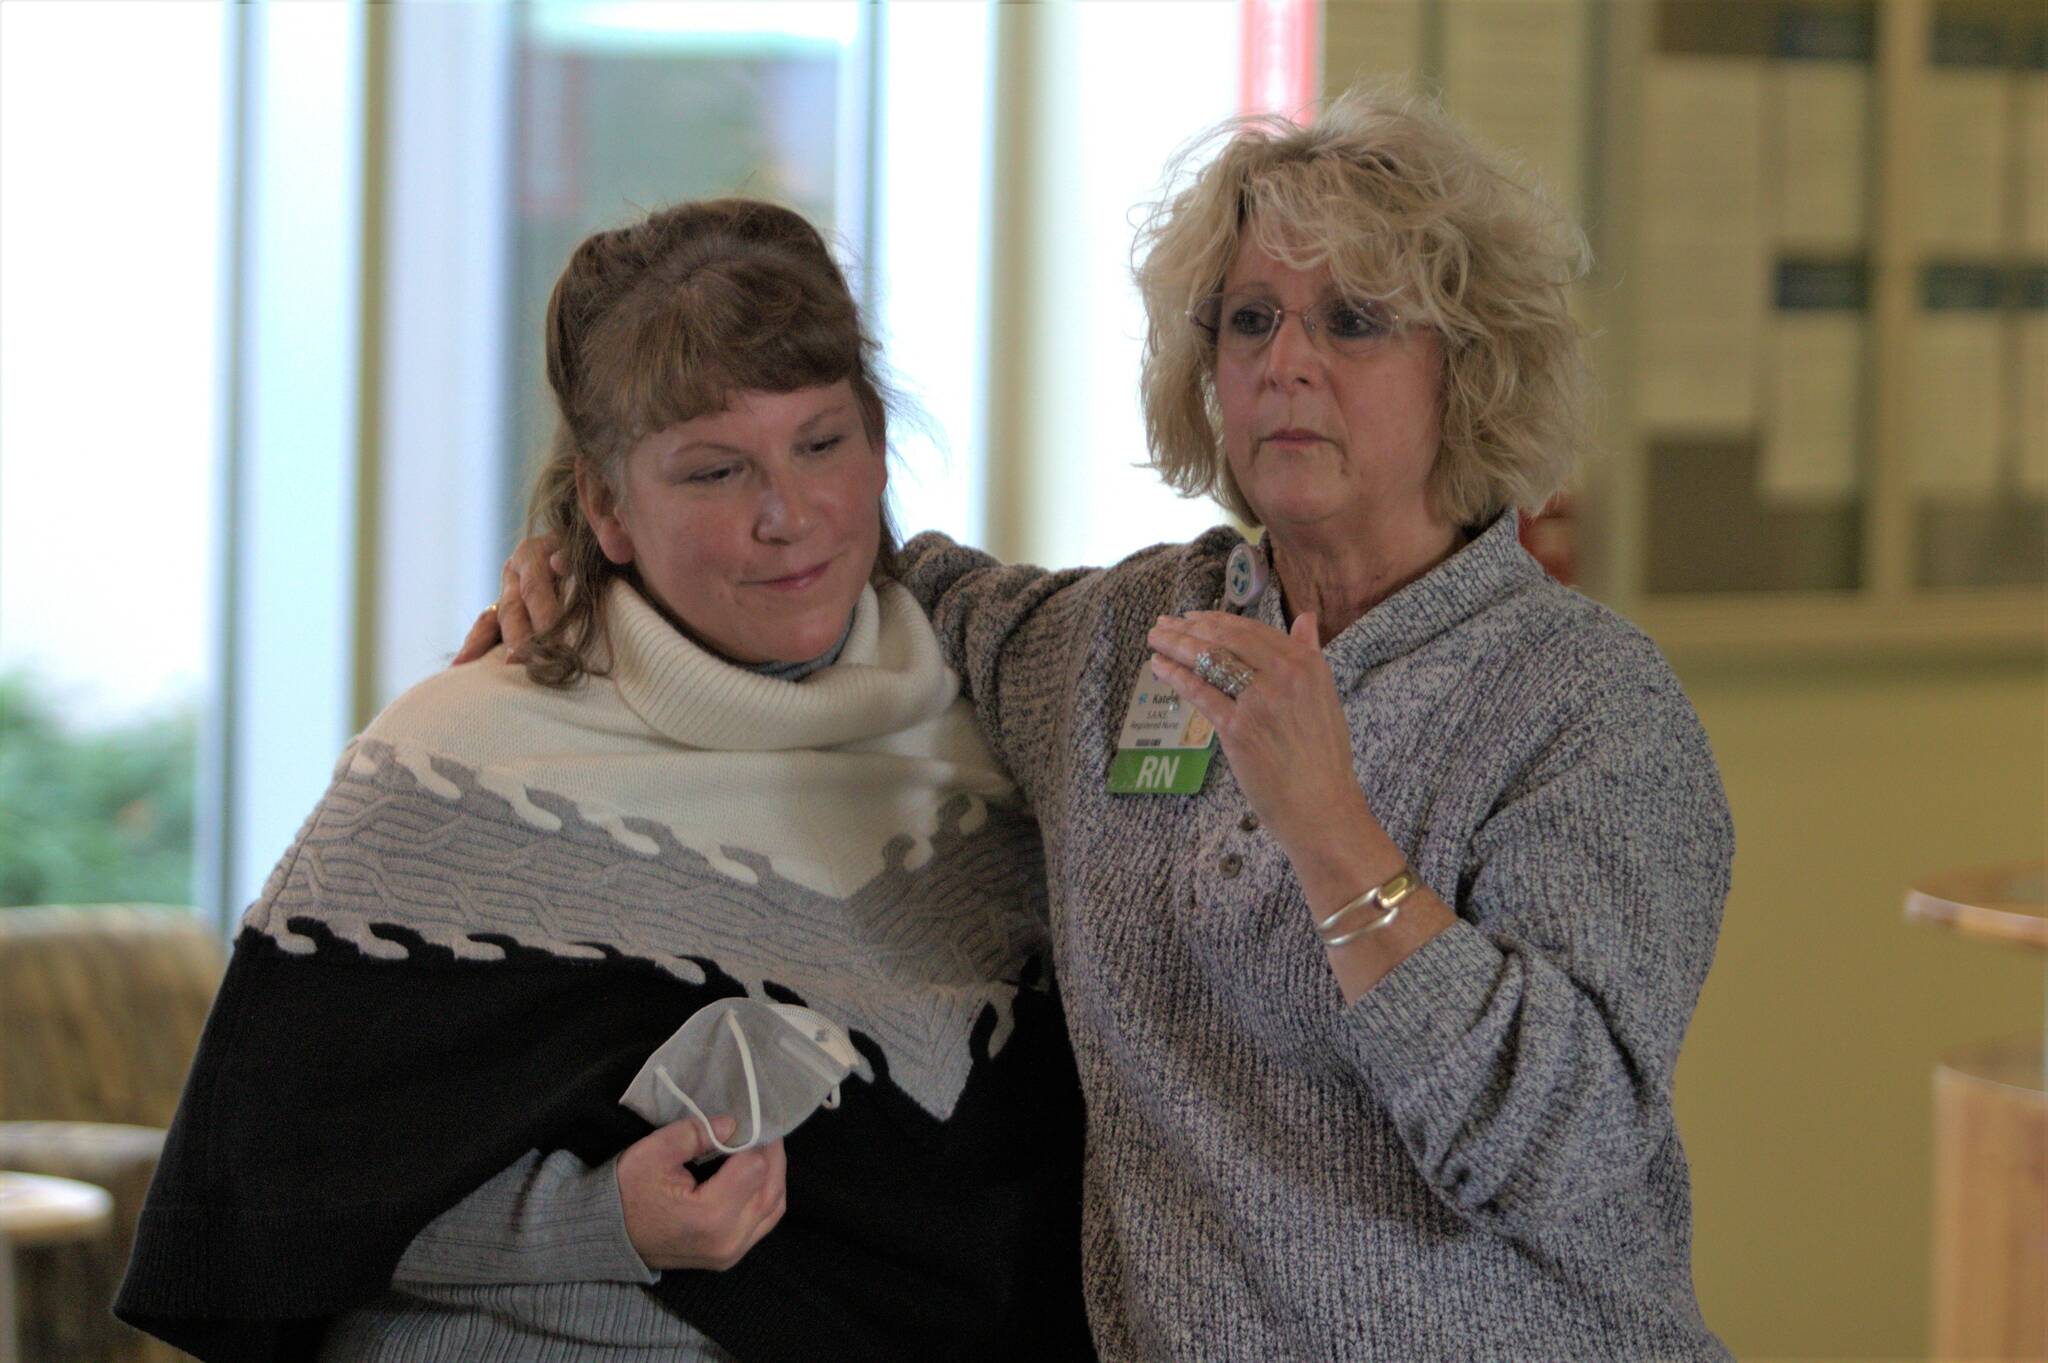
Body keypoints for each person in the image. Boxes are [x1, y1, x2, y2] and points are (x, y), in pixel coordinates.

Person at [478, 90, 1736, 1361]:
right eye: (1249, 320)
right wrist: (590, 563)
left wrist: (1332, 833)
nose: (1284, 362)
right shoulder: (1126, 635)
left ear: (1469, 365)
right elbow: (849, 574)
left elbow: (1550, 1150)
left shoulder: (1585, 704)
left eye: (1352, 321)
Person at [117, 198, 1093, 1363]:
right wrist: (593, 1220)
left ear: (879, 444)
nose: (786, 515)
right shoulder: (461, 767)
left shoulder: (998, 732)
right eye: (713, 470)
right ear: (604, 507)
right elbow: (258, 1214)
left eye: (821, 443)